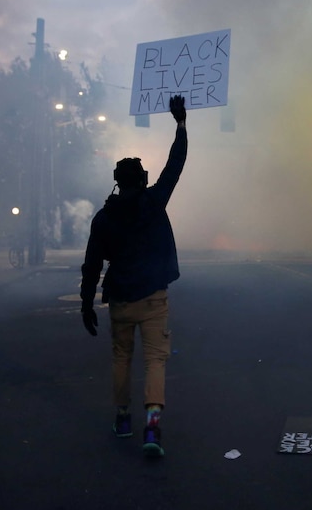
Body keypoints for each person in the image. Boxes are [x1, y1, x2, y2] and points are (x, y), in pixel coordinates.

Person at [80, 95, 188, 458]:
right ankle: (153, 425)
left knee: (121, 357)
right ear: (142, 179)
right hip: (153, 296)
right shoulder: (154, 201)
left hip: (121, 298)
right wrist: (180, 124)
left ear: (116, 183)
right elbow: (175, 164)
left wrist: (86, 302)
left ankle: (123, 418)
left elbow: (92, 263)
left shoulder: (103, 218)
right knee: (155, 359)